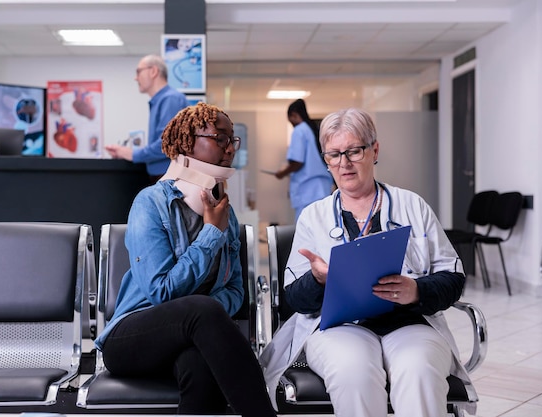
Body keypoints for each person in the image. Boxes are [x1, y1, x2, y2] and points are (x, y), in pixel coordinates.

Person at [260, 108, 475, 417]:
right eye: (333, 155)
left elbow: (453, 277)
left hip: (410, 323)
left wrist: (416, 290)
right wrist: (319, 280)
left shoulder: (412, 205)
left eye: (353, 151)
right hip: (337, 327)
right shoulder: (314, 217)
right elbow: (294, 298)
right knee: (354, 372)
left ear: (374, 150)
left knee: (419, 372)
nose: (343, 163)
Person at [95, 102, 277, 417]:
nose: (230, 148)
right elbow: (161, 292)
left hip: (191, 335)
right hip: (131, 337)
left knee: (200, 365)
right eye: (220, 138)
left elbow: (235, 290)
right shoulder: (150, 203)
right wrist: (209, 234)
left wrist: (204, 321)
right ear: (188, 142)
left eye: (232, 140)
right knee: (202, 309)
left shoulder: (225, 212)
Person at [105, 54, 188, 183]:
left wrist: (131, 154)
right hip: (163, 177)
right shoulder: (161, 100)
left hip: (168, 178)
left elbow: (167, 144)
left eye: (138, 72)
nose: (135, 78)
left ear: (153, 71)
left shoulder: (170, 99)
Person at [274, 98, 333, 220]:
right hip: (322, 188)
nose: (291, 123)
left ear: (294, 115)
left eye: (290, 120)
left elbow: (297, 162)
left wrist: (282, 173)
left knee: (306, 231)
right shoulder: (312, 129)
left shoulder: (299, 130)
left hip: (307, 191)